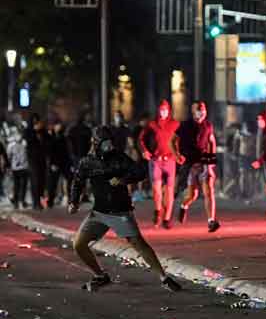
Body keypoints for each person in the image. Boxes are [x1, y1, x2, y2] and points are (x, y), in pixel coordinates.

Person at [68, 126, 182, 292]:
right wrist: (73, 201)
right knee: (78, 244)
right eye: (105, 143)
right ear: (96, 143)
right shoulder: (87, 162)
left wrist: (122, 180)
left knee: (138, 243)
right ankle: (100, 275)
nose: (109, 146)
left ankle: (164, 278)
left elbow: (140, 172)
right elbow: (77, 181)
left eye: (110, 142)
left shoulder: (119, 158)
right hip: (99, 212)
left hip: (120, 211)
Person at [174, 101, 221, 232]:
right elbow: (173, 140)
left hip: (204, 161)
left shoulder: (208, 125)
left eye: (203, 109)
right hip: (190, 163)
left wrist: (211, 162)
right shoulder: (186, 125)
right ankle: (184, 205)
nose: (201, 111)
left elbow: (212, 141)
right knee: (192, 195)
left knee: (209, 191)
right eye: (198, 109)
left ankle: (211, 220)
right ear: (192, 111)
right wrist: (177, 155)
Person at [139, 100, 182, 228]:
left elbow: (182, 140)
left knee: (169, 190)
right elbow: (141, 139)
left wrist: (180, 154)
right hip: (156, 160)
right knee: (157, 189)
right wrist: (145, 151)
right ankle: (158, 211)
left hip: (170, 161)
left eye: (166, 110)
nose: (163, 112)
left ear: (169, 111)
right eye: (161, 109)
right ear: (158, 111)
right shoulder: (152, 124)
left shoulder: (175, 124)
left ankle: (167, 218)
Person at [24, 115, 50, 210]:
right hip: (32, 159)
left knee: (42, 180)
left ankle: (40, 200)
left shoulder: (44, 132)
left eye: (37, 121)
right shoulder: (28, 131)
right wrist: (35, 131)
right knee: (35, 180)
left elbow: (48, 142)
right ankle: (36, 202)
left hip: (42, 158)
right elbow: (28, 140)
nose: (36, 124)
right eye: (34, 122)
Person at [47, 121, 72, 208]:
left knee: (68, 180)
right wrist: (52, 163)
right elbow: (50, 152)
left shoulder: (64, 138)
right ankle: (50, 201)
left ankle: (68, 198)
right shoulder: (50, 138)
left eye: (60, 126)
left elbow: (68, 151)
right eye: (57, 126)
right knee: (53, 183)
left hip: (65, 162)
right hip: (55, 163)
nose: (58, 128)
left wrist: (70, 163)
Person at [6, 127, 29, 209]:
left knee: (23, 185)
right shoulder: (11, 145)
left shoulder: (25, 143)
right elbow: (8, 157)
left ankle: (21, 200)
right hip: (16, 168)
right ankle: (17, 201)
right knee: (17, 185)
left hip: (24, 167)